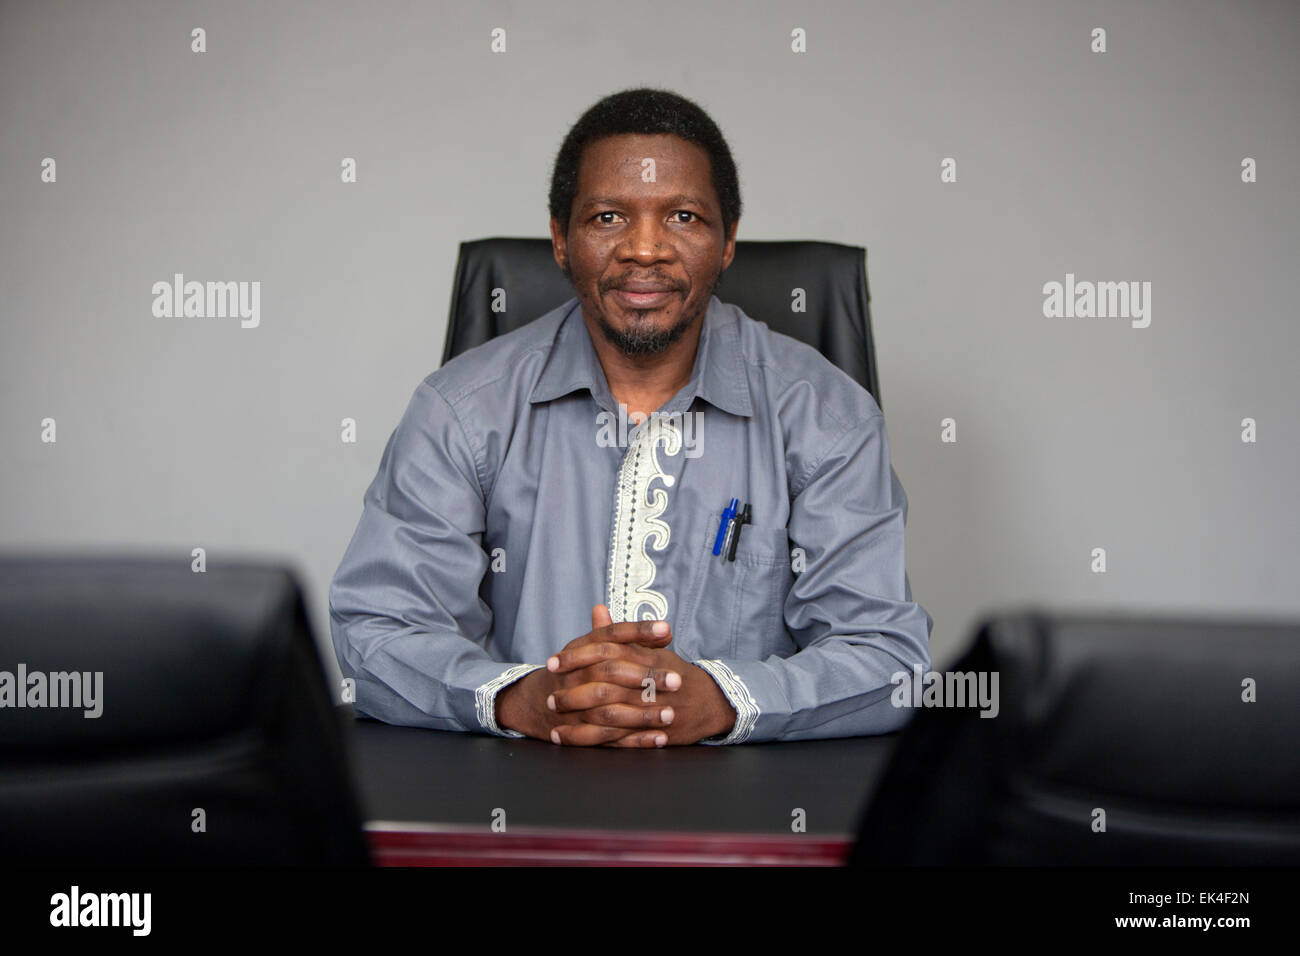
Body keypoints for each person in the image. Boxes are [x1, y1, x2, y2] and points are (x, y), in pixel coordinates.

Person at [329, 87, 932, 747]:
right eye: (610, 217)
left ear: (728, 240)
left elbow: (887, 656)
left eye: (683, 216)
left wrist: (726, 700)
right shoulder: (461, 409)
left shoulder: (827, 416)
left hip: (747, 812)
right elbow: (375, 632)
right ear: (561, 239)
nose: (645, 249)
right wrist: (517, 698)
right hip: (520, 799)